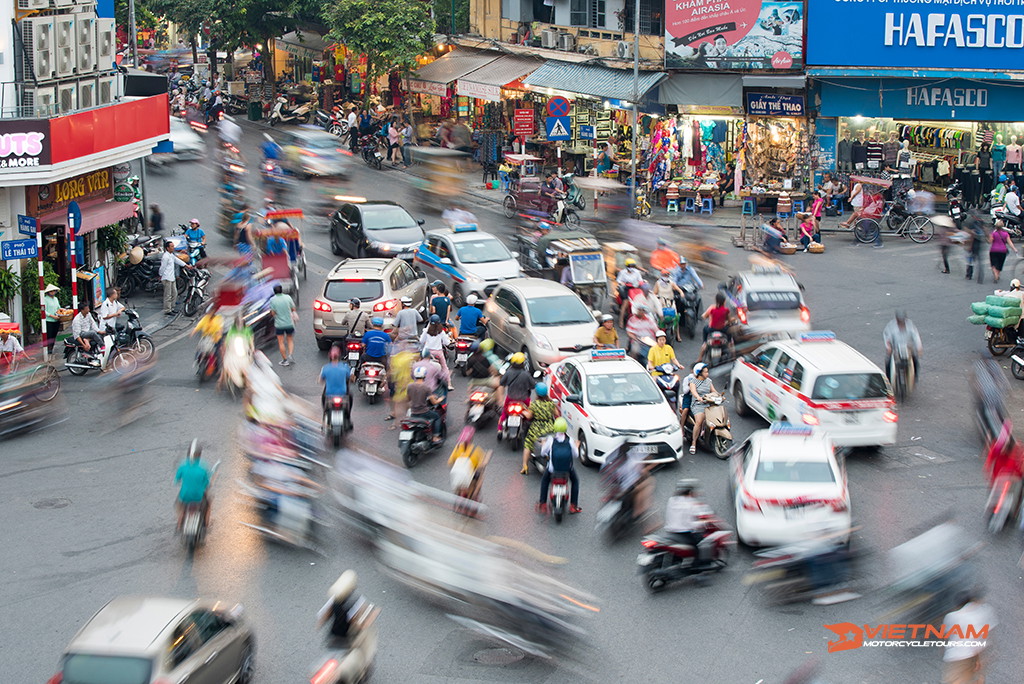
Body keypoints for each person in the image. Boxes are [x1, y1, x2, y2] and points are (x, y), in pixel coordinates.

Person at [941, 590, 996, 684]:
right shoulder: (980, 615)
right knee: (974, 679)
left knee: (954, 680)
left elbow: (944, 636)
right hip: (970, 655)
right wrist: (979, 660)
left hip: (955, 656)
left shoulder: (951, 616)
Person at [663, 478, 714, 563]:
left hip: (670, 532)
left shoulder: (672, 500)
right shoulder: (692, 504)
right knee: (703, 544)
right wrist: (704, 523)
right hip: (685, 534)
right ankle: (700, 565)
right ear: (690, 492)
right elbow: (692, 523)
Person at [537, 418, 581, 514]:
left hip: (553, 470)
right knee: (575, 481)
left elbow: (543, 453)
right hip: (567, 470)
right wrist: (576, 446)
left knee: (544, 481)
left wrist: (544, 444)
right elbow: (576, 455)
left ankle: (543, 504)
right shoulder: (570, 441)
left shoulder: (550, 440)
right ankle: (573, 505)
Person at [317, 570, 369, 646]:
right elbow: (355, 622)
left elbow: (325, 615)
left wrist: (320, 624)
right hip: (347, 640)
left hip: (333, 637)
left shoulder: (334, 599)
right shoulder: (356, 601)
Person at [521, 383, 559, 474]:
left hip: (537, 428)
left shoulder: (534, 404)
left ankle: (525, 466)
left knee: (528, 444)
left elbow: (529, 416)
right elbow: (557, 414)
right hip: (550, 428)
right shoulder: (550, 403)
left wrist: (523, 411)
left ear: (537, 394)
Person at [174, 439, 212, 531]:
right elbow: (206, 482)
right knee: (208, 505)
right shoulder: (203, 466)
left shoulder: (182, 465)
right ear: (199, 455)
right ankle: (206, 525)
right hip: (198, 496)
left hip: (185, 496)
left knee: (181, 507)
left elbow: (176, 480)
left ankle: (179, 525)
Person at [882, 310, 922, 387]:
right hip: (895, 348)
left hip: (907, 347)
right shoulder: (891, 326)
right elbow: (887, 337)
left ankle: (915, 378)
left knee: (915, 361)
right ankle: (889, 381)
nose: (901, 323)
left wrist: (919, 347)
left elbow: (916, 336)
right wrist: (889, 347)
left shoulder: (910, 325)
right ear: (897, 320)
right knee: (888, 362)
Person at [448, 425, 489, 500]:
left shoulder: (457, 448)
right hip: (470, 477)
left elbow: (450, 462)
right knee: (481, 476)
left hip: (458, 475)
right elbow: (481, 465)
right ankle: (475, 494)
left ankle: (458, 494)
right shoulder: (476, 450)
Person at [498, 352, 533, 432]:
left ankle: (499, 430)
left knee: (504, 412)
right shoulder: (526, 374)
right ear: (523, 363)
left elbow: (502, 383)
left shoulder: (508, 372)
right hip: (524, 399)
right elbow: (533, 385)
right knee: (530, 412)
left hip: (510, 398)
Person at [687, 363, 719, 454]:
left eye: (707, 372)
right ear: (699, 373)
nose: (707, 374)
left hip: (709, 403)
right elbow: (693, 391)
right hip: (698, 404)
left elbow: (714, 391)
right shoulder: (693, 381)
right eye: (705, 372)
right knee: (699, 421)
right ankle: (694, 443)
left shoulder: (709, 381)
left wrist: (720, 396)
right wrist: (698, 397)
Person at [407, 365, 444, 443]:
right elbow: (434, 402)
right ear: (424, 376)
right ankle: (435, 436)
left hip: (413, 412)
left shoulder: (409, 386)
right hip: (424, 412)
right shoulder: (426, 388)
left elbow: (409, 399)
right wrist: (440, 399)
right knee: (437, 417)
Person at [320, 345, 354, 428]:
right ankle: (348, 417)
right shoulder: (345, 367)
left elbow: (321, 380)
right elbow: (351, 378)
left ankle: (325, 415)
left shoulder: (325, 368)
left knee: (323, 399)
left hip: (329, 393)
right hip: (343, 392)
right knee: (350, 397)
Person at [419, 315, 453, 390]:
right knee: (444, 368)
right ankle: (449, 384)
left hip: (427, 353)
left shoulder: (426, 331)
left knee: (422, 366)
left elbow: (421, 341)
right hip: (438, 352)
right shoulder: (441, 332)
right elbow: (446, 342)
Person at [697, 292, 732, 362]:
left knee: (705, 341)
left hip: (711, 329)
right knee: (730, 339)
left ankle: (700, 358)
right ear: (724, 301)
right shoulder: (726, 310)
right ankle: (731, 352)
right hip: (723, 329)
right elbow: (729, 320)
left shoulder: (712, 308)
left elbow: (704, 316)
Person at [269, 284, 297, 366]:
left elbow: (273, 313)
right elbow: (293, 308)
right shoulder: (287, 297)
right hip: (289, 323)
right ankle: (290, 355)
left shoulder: (272, 300)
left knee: (281, 342)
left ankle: (285, 360)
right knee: (290, 339)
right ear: (282, 290)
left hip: (279, 324)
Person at [616, 257, 645, 327]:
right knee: (625, 302)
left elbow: (640, 280)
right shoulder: (622, 272)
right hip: (626, 288)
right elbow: (618, 280)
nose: (631, 268)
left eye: (633, 266)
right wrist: (622, 283)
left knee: (642, 299)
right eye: (630, 266)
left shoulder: (637, 272)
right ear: (627, 266)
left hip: (635, 288)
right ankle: (621, 320)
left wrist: (642, 282)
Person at [988, 219, 1018, 283]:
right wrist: (1014, 249)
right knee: (1000, 264)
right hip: (1003, 251)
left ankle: (995, 275)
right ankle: (997, 274)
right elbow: (1010, 243)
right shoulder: (1006, 234)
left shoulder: (993, 233)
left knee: (993, 264)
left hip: (993, 250)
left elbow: (990, 241)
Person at [160, 240, 182, 315]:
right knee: (168, 295)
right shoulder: (165, 257)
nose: (173, 248)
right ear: (167, 248)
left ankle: (172, 307)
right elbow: (162, 267)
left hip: (172, 278)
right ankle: (167, 310)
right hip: (167, 278)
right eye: (172, 246)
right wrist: (161, 275)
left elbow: (177, 260)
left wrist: (186, 265)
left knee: (174, 293)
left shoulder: (171, 255)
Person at [43, 284, 62, 354]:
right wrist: (51, 316)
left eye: (54, 291)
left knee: (54, 335)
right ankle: (48, 348)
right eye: (51, 291)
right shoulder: (45, 299)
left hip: (56, 320)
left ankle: (52, 347)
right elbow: (43, 311)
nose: (53, 292)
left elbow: (58, 308)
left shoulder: (56, 299)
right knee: (49, 335)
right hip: (49, 320)